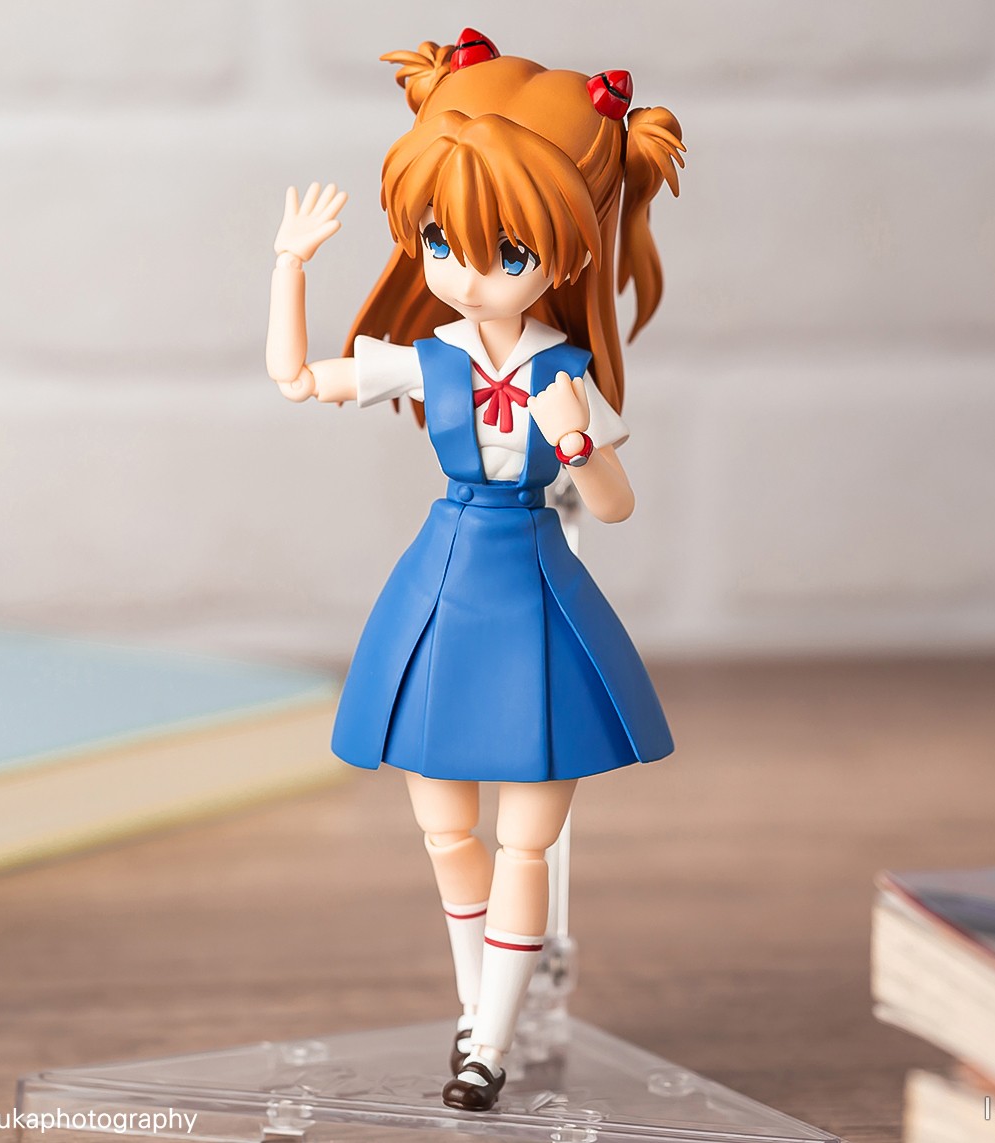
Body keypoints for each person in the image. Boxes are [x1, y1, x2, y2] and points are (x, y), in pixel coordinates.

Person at [264, 28, 684, 1112]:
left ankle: (489, 1044)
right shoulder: (431, 357)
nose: (462, 273)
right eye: (441, 242)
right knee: (444, 828)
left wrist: (575, 439)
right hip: (441, 584)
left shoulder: (565, 372)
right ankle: (475, 1014)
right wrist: (290, 266)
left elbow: (615, 505)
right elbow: (296, 380)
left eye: (503, 250)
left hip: (534, 587)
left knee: (526, 841)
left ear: (567, 249)